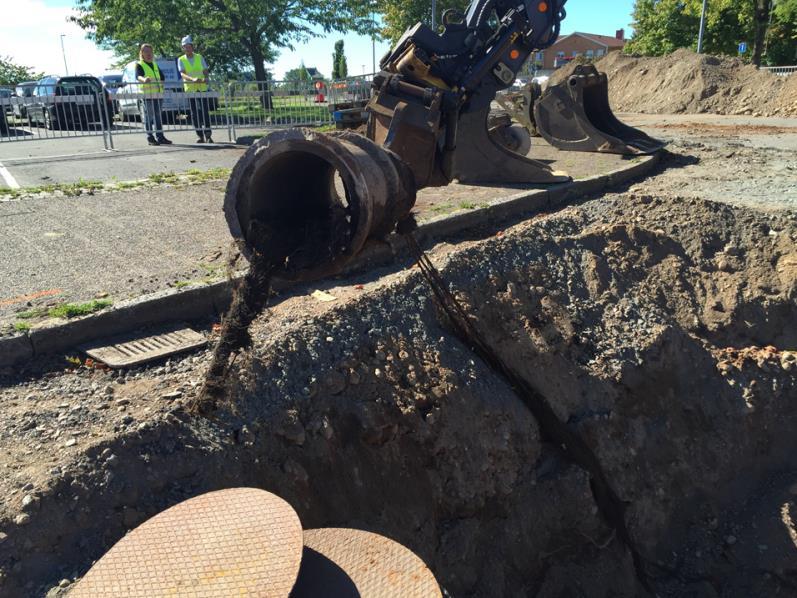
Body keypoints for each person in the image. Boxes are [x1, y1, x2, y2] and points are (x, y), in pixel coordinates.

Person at [136, 44, 172, 146]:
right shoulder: (140, 64)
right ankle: (150, 137)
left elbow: (162, 77)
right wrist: (144, 79)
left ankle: (160, 137)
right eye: (146, 51)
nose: (148, 54)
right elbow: (138, 76)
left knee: (158, 117)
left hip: (158, 95)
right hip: (147, 95)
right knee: (149, 117)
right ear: (142, 53)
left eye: (150, 51)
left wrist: (161, 83)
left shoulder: (155, 64)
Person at [178, 35, 213, 143]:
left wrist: (206, 79)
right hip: (190, 88)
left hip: (202, 87)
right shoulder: (181, 59)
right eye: (185, 47)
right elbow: (183, 74)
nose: (187, 48)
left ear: (192, 47)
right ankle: (199, 135)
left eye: (189, 46)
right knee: (194, 113)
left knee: (204, 111)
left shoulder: (199, 57)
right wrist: (192, 79)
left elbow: (205, 70)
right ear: (183, 48)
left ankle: (208, 135)